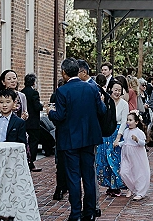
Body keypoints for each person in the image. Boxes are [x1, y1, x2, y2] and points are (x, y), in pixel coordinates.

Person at [48, 58, 106, 221]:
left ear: (64, 73)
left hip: (70, 140)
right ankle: (89, 213)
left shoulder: (62, 91)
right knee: (88, 175)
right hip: (89, 138)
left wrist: (50, 112)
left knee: (73, 177)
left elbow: (59, 116)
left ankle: (75, 214)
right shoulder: (92, 89)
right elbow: (102, 111)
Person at [96, 80, 129, 197]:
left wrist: (119, 137)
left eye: (119, 90)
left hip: (117, 132)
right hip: (105, 133)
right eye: (115, 90)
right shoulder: (105, 101)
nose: (117, 92)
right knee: (104, 159)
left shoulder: (124, 104)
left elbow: (125, 122)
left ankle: (116, 186)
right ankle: (109, 185)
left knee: (115, 159)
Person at [119, 111, 150, 201]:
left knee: (138, 172)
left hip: (136, 155)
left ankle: (140, 192)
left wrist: (137, 140)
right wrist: (119, 144)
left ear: (136, 122)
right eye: (127, 120)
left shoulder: (139, 132)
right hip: (126, 155)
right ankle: (132, 187)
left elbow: (143, 143)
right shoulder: (126, 131)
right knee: (124, 172)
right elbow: (126, 142)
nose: (128, 122)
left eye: (130, 120)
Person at [22, 73, 44, 172]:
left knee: (25, 142)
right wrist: (41, 105)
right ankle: (31, 162)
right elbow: (37, 107)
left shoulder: (22, 92)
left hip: (24, 122)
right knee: (33, 142)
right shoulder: (34, 93)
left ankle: (25, 160)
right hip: (33, 122)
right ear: (33, 82)